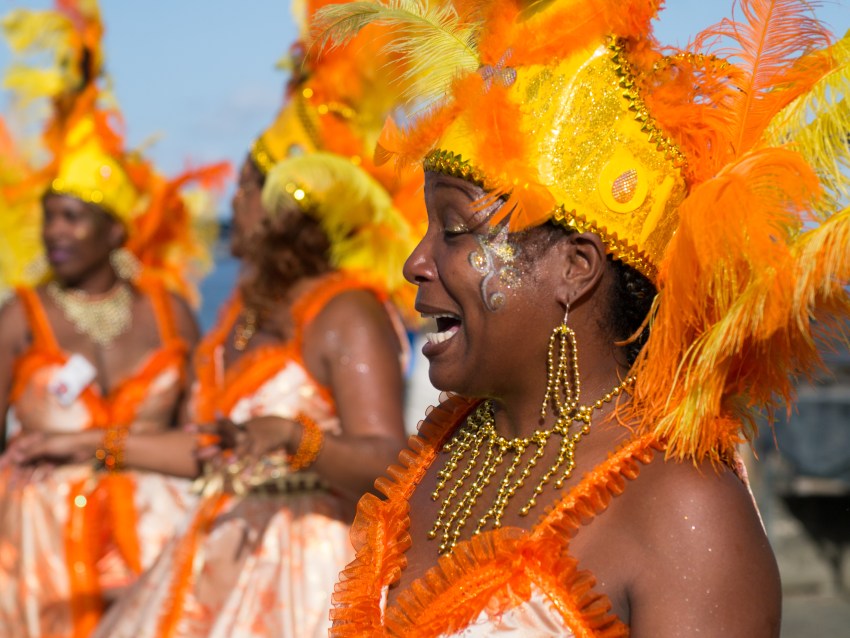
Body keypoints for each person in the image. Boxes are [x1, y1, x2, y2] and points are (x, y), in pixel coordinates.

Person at [316, 0, 850, 635]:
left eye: (456, 230)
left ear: (575, 267)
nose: (416, 262)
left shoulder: (682, 509)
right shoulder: (443, 451)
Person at [91, 5, 420, 636]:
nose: (232, 202)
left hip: (307, 581)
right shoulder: (241, 312)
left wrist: (298, 441)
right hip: (213, 557)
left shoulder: (346, 312)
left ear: (280, 213)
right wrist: (90, 448)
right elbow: (212, 450)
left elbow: (388, 463)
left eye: (245, 189)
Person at [0, 3, 227, 636]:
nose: (55, 232)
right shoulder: (22, 317)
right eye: (49, 217)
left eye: (73, 217)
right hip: (41, 551)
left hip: (155, 538)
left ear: (115, 231)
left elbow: (202, 431)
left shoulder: (169, 311)